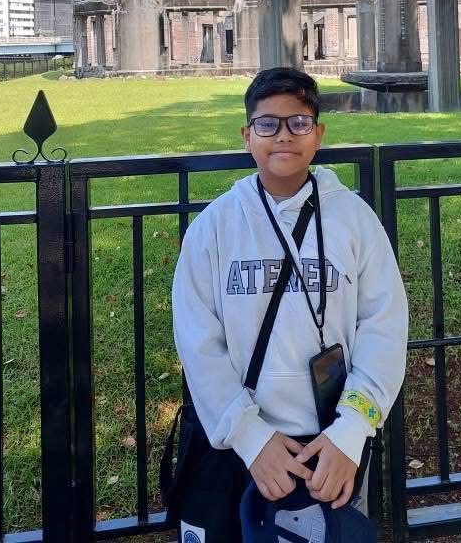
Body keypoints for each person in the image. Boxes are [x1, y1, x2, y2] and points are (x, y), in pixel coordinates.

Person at [171, 66, 408, 541]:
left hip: (330, 444)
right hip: (239, 443)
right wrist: (250, 439)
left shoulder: (355, 221)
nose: (283, 135)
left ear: (318, 134)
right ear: (246, 135)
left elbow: (384, 327)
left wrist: (350, 432)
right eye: (267, 124)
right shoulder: (213, 230)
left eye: (298, 122)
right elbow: (199, 344)